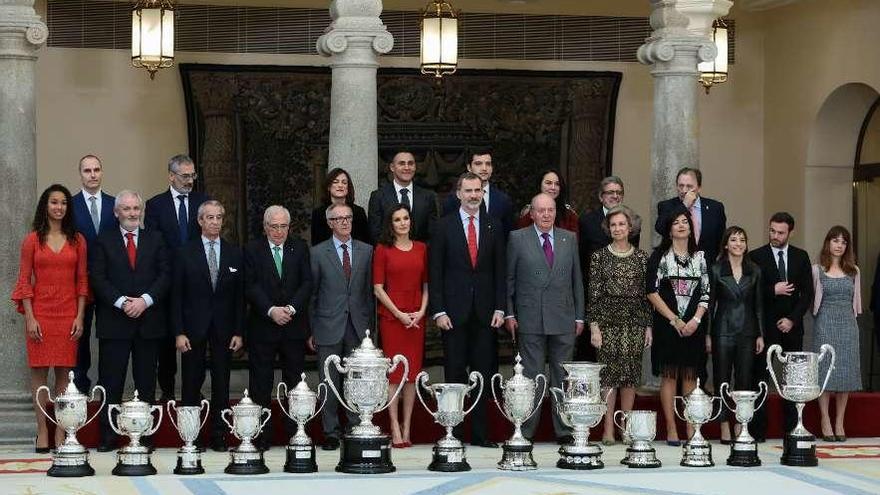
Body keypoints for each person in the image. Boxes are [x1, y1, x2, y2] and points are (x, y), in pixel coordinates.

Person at [430, 172, 506, 448]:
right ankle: (455, 432)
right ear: (458, 194)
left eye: (478, 190)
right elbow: (435, 273)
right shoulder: (442, 227)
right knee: (455, 374)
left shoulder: (494, 226)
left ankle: (481, 434)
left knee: (484, 374)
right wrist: (438, 311)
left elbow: (501, 271)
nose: (474, 195)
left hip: (486, 314)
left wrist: (500, 307)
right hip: (453, 314)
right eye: (469, 190)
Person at [90, 190, 170, 452]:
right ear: (116, 213)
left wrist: (144, 300)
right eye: (127, 209)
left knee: (146, 383)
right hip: (115, 323)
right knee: (111, 382)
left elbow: (165, 275)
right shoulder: (104, 240)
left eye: (136, 208)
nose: (132, 213)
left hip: (148, 323)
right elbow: (98, 278)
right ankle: (108, 436)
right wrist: (123, 302)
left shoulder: (156, 239)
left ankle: (145, 436)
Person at [12, 184, 88, 452]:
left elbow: (82, 282)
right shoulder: (32, 240)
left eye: (64, 203)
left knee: (64, 376)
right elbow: (23, 282)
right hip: (40, 314)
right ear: (45, 205)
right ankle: (42, 431)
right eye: (54, 202)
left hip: (68, 315)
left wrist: (80, 316)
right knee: (39, 375)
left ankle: (60, 432)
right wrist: (30, 318)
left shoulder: (78, 240)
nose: (59, 207)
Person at [506, 193, 584, 444]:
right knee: (531, 376)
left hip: (563, 317)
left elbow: (577, 281)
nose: (546, 215)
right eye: (541, 210)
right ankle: (526, 430)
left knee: (562, 376)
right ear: (532, 213)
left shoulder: (568, 238)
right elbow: (510, 280)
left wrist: (580, 316)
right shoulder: (517, 238)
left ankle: (564, 430)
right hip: (530, 317)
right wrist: (509, 312)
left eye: (550, 210)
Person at [171, 200, 244, 452]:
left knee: (222, 384)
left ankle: (219, 434)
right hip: (192, 329)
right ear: (200, 221)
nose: (214, 222)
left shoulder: (235, 252)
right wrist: (179, 332)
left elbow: (239, 297)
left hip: (224, 330)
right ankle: (192, 436)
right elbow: (176, 296)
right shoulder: (184, 252)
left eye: (218, 217)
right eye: (209, 218)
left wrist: (238, 331)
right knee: (191, 383)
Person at [244, 205, 312, 450]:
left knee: (295, 382)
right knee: (261, 383)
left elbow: (307, 283)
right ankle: (261, 434)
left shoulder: (300, 248)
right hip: (263, 325)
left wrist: (291, 309)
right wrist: (271, 310)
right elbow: (250, 286)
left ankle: (296, 432)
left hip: (293, 327)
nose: (279, 231)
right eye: (274, 226)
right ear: (265, 227)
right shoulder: (252, 249)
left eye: (284, 226)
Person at [145, 154, 210, 402]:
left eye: (193, 175)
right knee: (166, 340)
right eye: (185, 176)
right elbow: (154, 245)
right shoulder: (155, 205)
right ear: (171, 176)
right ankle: (168, 390)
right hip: (167, 281)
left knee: (196, 337)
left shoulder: (203, 202)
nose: (190, 180)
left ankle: (194, 388)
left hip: (196, 280)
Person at [309, 203, 374, 451]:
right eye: (339, 219)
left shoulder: (367, 251)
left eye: (348, 217)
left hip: (358, 326)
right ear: (330, 223)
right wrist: (312, 329)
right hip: (328, 325)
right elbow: (313, 295)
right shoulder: (317, 253)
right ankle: (331, 432)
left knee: (356, 380)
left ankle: (356, 426)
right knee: (330, 381)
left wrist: (371, 330)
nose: (345, 222)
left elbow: (369, 292)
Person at [587, 205, 651, 445]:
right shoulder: (599, 257)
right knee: (608, 378)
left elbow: (647, 296)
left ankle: (625, 427)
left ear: (630, 227)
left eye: (621, 224)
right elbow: (594, 294)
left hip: (634, 324)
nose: (617, 228)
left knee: (630, 377)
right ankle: (607, 430)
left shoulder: (642, 258)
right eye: (613, 225)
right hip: (607, 324)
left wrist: (648, 326)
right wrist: (594, 326)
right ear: (608, 228)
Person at [646, 205, 710, 445]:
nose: (682, 225)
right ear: (669, 230)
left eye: (685, 221)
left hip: (694, 326)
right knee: (670, 376)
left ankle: (691, 428)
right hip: (667, 325)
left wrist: (695, 320)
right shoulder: (660, 257)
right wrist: (674, 319)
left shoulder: (701, 257)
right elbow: (651, 292)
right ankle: (672, 429)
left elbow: (706, 292)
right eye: (676, 222)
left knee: (691, 377)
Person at [748, 212, 813, 442]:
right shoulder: (756, 256)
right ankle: (757, 431)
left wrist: (792, 319)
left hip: (792, 328)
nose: (775, 236)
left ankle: (792, 428)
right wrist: (772, 290)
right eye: (772, 231)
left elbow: (807, 294)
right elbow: (750, 293)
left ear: (790, 232)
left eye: (780, 232)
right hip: (765, 328)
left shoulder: (801, 256)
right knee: (761, 378)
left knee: (792, 381)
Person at [372, 204, 428, 447]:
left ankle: (407, 426)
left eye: (406, 218)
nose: (403, 223)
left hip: (417, 319)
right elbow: (377, 287)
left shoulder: (422, 248)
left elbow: (427, 284)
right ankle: (393, 424)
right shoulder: (383, 249)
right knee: (395, 374)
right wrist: (398, 313)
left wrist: (422, 311)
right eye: (397, 219)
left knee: (412, 375)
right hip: (393, 319)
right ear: (391, 224)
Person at [576, 176, 642, 362]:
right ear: (600, 196)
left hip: (622, 299)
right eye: (610, 192)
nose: (615, 196)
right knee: (589, 352)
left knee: (619, 359)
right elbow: (581, 259)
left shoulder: (633, 221)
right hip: (594, 296)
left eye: (619, 192)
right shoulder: (587, 221)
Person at [709, 226, 765, 444]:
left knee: (744, 380)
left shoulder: (755, 270)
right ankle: (723, 424)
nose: (738, 244)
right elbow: (710, 305)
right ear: (726, 244)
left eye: (742, 239)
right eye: (734, 240)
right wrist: (707, 335)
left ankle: (740, 423)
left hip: (748, 331)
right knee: (722, 378)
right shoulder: (715, 269)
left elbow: (759, 306)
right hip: (722, 330)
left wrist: (760, 334)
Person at [70, 155, 117, 393]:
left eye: (96, 169)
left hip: (110, 281)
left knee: (109, 333)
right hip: (81, 281)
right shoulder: (70, 204)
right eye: (87, 170)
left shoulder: (115, 203)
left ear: (102, 172)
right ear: (80, 173)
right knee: (81, 334)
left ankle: (107, 385)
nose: (92, 174)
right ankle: (80, 385)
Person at [812, 226, 862, 442]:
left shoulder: (854, 271)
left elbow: (856, 304)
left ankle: (839, 421)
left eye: (843, 242)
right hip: (824, 322)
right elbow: (812, 300)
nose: (839, 245)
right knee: (825, 373)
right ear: (828, 243)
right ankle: (825, 419)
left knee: (845, 373)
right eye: (835, 241)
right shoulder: (817, 270)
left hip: (848, 325)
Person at [655, 167, 726, 264]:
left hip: (707, 266)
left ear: (699, 187)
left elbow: (721, 240)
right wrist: (684, 206)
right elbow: (661, 228)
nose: (684, 190)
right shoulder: (667, 206)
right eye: (681, 186)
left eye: (689, 186)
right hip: (676, 265)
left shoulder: (715, 208)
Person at [367, 150, 438, 243]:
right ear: (392, 167)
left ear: (415, 167)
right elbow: (375, 232)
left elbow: (433, 232)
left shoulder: (428, 196)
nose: (407, 167)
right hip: (389, 253)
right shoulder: (378, 196)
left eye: (410, 163)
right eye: (402, 163)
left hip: (421, 254)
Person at [441, 149, 515, 236]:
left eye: (488, 164)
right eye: (478, 164)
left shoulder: (503, 200)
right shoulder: (452, 200)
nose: (484, 168)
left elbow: (507, 235)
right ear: (469, 167)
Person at [310, 168, 370, 245]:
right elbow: (316, 243)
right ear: (328, 187)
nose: (340, 185)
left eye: (344, 183)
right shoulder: (319, 213)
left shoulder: (358, 212)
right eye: (335, 182)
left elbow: (365, 240)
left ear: (348, 188)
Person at [516, 169, 579, 235]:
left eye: (557, 184)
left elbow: (573, 243)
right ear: (540, 185)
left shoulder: (569, 216)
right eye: (548, 183)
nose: (553, 187)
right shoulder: (528, 213)